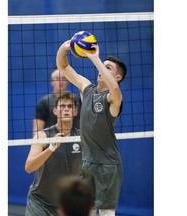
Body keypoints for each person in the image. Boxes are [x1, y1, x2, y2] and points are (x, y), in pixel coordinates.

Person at [56, 40, 127, 216]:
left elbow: (115, 90)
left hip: (108, 165)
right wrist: (64, 48)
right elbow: (64, 67)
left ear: (117, 76)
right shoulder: (86, 88)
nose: (101, 69)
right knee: (85, 211)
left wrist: (95, 58)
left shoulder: (113, 99)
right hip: (87, 163)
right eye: (102, 66)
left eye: (108, 68)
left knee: (106, 213)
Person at [25, 91, 82, 216]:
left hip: (66, 204)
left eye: (70, 106)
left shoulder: (81, 137)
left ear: (75, 112)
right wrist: (50, 148)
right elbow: (29, 167)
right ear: (55, 111)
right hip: (40, 202)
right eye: (62, 106)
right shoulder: (43, 136)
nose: (66, 109)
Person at [33, 67, 81, 137]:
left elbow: (82, 123)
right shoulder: (44, 102)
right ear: (52, 81)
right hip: (51, 140)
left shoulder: (77, 101)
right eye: (57, 79)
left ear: (68, 81)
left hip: (74, 141)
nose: (61, 81)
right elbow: (37, 129)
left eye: (64, 78)